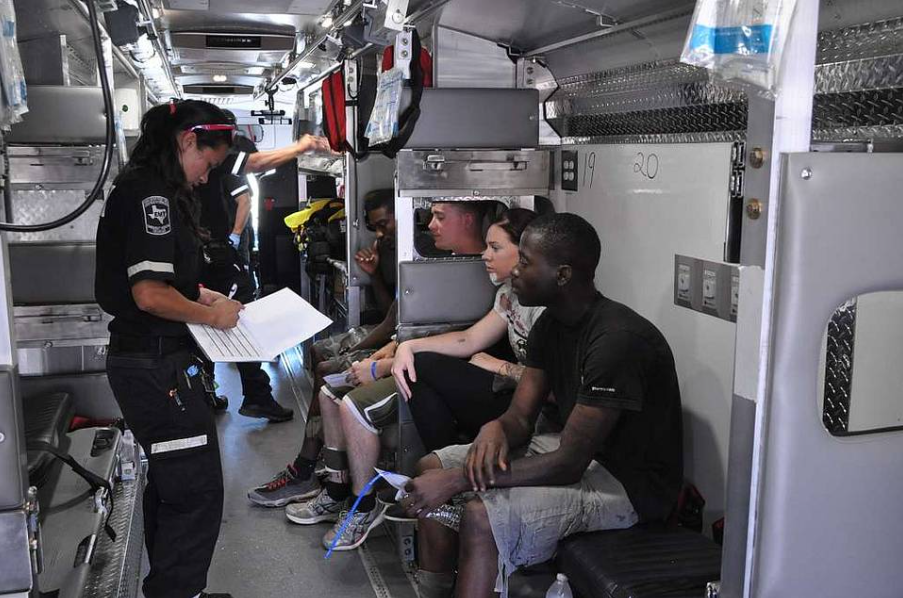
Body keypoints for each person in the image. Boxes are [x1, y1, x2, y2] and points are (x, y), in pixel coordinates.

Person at [399, 213, 684, 598]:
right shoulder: (550, 326)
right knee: (430, 467)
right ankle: (434, 588)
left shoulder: (616, 341)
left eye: (526, 262)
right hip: (575, 454)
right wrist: (495, 428)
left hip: (625, 486)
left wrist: (459, 480)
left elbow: (569, 464)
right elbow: (520, 417)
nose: (515, 270)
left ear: (563, 275)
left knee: (479, 515)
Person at [96, 100, 243, 598]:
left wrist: (199, 294)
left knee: (174, 483)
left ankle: (174, 590)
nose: (206, 177)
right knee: (195, 491)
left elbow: (164, 280)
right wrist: (212, 316)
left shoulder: (151, 190)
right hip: (156, 367)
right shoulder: (150, 198)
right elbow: (148, 294)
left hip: (154, 362)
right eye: (209, 162)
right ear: (187, 141)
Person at [282, 202, 492, 550]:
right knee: (328, 393)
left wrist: (380, 364)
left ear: (468, 219)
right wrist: (387, 351)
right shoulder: (436, 263)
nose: (431, 225)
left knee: (352, 405)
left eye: (441, 217)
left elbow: (458, 336)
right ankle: (336, 489)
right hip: (410, 356)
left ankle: (362, 507)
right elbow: (402, 323)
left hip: (434, 370)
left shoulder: (480, 276)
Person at [246, 189, 399, 506]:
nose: (381, 233)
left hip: (394, 338)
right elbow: (389, 312)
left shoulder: (414, 250)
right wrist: (375, 276)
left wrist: (346, 357)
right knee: (317, 352)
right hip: (387, 329)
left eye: (385, 224)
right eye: (376, 227)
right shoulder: (388, 247)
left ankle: (306, 467)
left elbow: (390, 326)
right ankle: (318, 455)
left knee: (329, 368)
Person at [195, 115, 331, 422]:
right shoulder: (225, 158)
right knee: (241, 318)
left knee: (211, 323)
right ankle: (255, 396)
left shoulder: (204, 166)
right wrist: (302, 146)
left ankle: (210, 393)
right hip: (216, 254)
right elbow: (254, 166)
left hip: (208, 252)